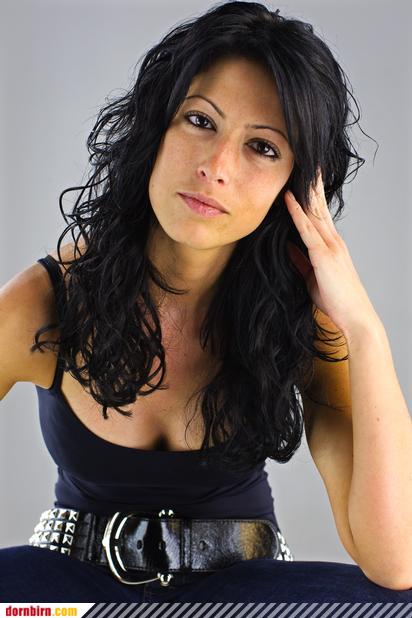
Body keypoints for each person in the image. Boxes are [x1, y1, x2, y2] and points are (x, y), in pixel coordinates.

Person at [0, 0, 411, 604]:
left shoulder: (302, 320)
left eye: (263, 148)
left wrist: (365, 329)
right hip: (69, 598)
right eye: (200, 120)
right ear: (156, 126)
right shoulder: (48, 301)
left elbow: (396, 559)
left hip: (240, 600)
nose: (215, 167)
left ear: (298, 185)